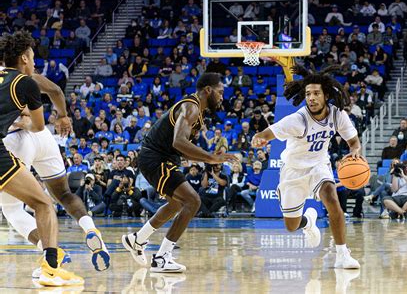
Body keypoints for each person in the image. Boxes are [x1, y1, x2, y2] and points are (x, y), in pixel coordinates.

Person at [122, 73, 237, 273]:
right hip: (156, 158)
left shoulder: (198, 114)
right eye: (220, 92)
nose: (222, 97)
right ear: (208, 90)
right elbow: (179, 142)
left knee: (176, 204)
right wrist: (210, 158)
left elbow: (180, 146)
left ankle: (137, 239)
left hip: (163, 159)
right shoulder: (191, 106)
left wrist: (206, 157)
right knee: (193, 201)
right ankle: (162, 258)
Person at [251, 65, 361, 269]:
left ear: (326, 95)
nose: (311, 97)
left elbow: (354, 142)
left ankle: (342, 254)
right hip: (293, 171)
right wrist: (259, 139)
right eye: (308, 93)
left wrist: (354, 152)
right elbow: (267, 134)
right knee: (291, 226)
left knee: (331, 197)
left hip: (319, 165)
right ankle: (308, 222)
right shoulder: (298, 120)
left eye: (316, 93)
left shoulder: (338, 116)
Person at [1, 72, 110, 273]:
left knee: (13, 209)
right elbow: (55, 90)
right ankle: (91, 230)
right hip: (42, 135)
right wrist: (62, 116)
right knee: (64, 194)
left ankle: (52, 252)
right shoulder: (23, 74)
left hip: (14, 138)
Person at [0, 31, 83, 285]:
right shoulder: (25, 83)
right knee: (44, 204)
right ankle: (50, 268)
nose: (34, 63)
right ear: (24, 58)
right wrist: (23, 119)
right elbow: (37, 127)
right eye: (33, 58)